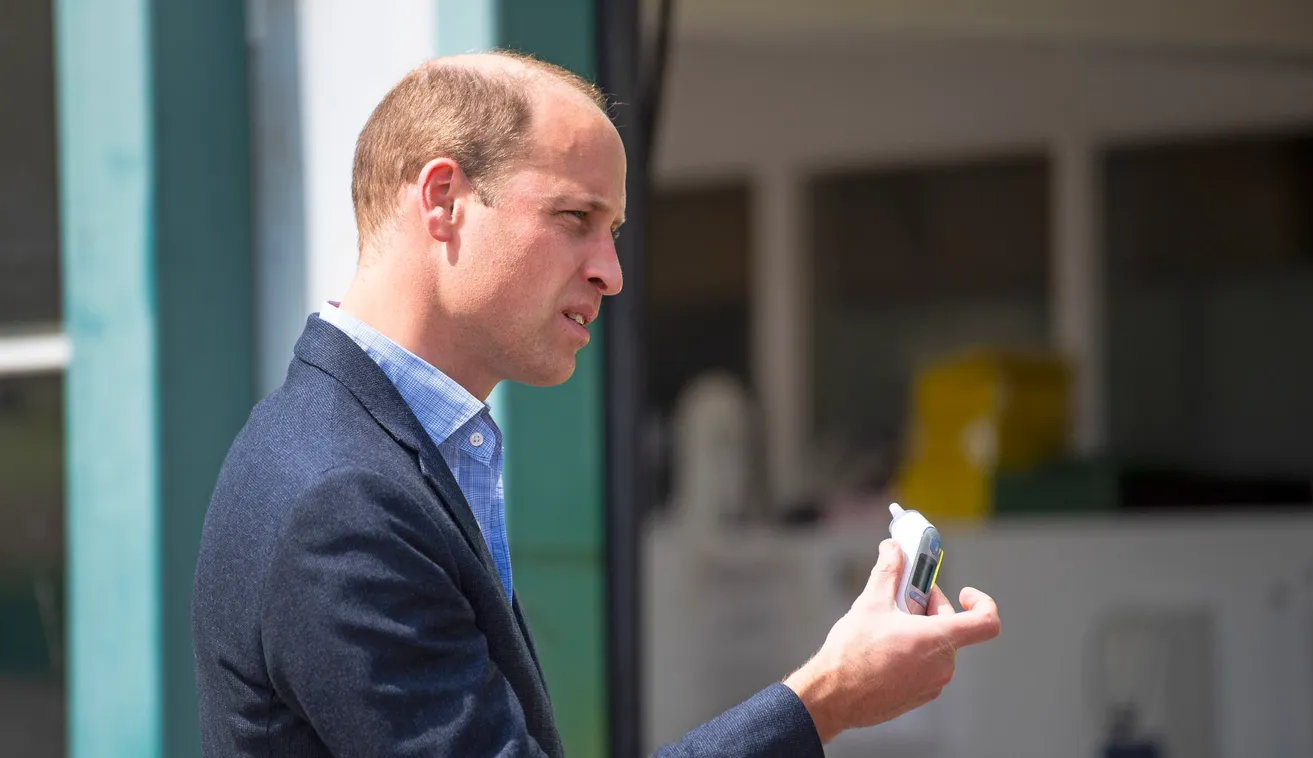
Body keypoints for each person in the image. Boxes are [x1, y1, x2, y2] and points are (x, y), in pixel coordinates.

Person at [192, 51, 1001, 758]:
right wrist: (826, 699)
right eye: (574, 218)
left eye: (611, 230)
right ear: (441, 199)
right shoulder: (344, 497)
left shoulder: (357, 452)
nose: (610, 272)